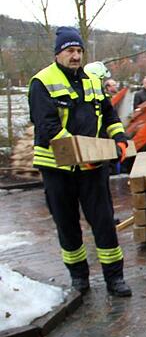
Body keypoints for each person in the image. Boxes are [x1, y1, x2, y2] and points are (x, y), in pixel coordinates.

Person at [27, 26, 132, 297]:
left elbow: (109, 116)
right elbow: (48, 126)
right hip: (57, 168)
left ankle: (115, 278)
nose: (75, 56)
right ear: (58, 53)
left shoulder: (92, 81)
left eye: (78, 51)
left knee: (104, 222)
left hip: (92, 166)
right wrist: (79, 153)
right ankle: (79, 278)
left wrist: (120, 139)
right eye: (70, 51)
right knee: (67, 224)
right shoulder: (42, 82)